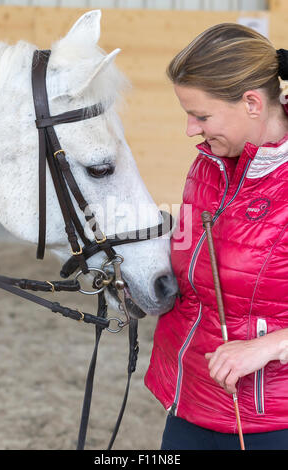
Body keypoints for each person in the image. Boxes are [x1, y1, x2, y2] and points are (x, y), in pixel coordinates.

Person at [144, 23, 288, 450]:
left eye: (201, 115)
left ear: (250, 103)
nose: (191, 129)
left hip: (271, 424)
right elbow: (188, 267)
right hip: (189, 405)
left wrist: (269, 346)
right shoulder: (209, 164)